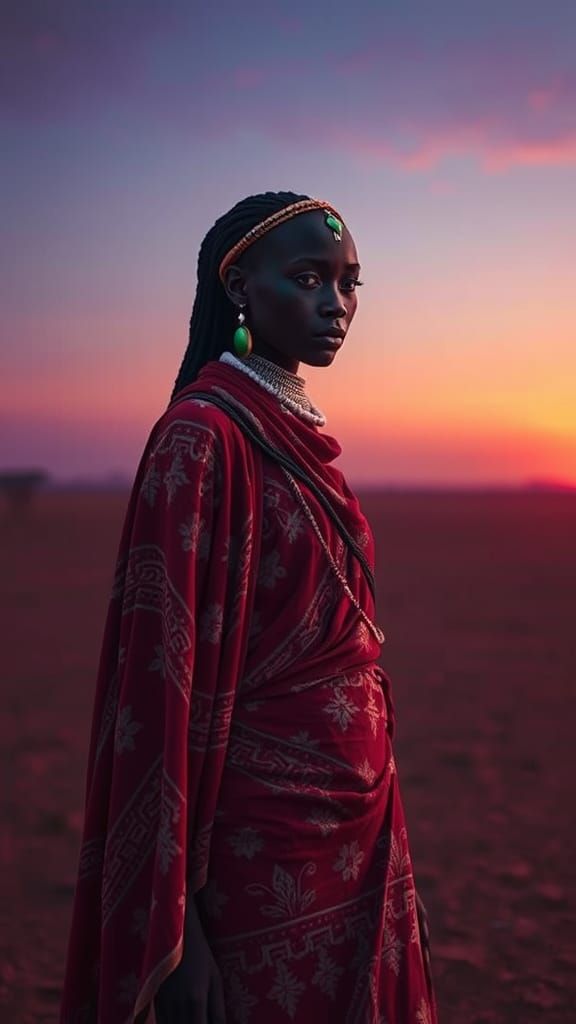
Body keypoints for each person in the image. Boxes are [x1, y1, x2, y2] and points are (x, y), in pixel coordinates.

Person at [59, 191, 437, 1024]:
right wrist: (180, 923)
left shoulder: (291, 427)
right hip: (256, 844)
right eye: (308, 279)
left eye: (349, 284)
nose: (335, 305)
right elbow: (157, 690)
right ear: (240, 288)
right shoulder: (203, 437)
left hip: (359, 819)